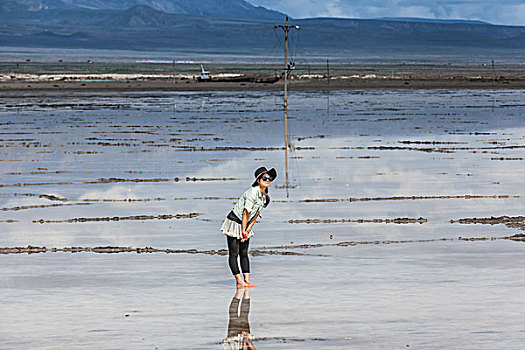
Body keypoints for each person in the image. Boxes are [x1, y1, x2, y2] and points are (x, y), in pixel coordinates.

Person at [221, 166, 276, 288]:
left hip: (246, 224)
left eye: (270, 178)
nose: (268, 180)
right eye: (265, 178)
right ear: (258, 180)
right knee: (234, 253)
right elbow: (246, 212)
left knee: (244, 253)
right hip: (235, 221)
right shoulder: (252, 192)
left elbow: (255, 215)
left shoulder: (264, 196)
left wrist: (248, 230)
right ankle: (239, 281)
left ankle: (247, 280)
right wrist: (242, 230)